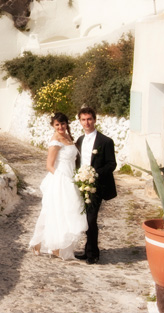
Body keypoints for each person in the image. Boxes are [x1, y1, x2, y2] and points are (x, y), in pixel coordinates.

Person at [29, 112, 88, 260]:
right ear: (53, 126)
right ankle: (54, 246)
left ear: (66, 124)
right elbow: (49, 166)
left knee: (64, 212)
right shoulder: (55, 140)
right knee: (58, 212)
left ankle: (48, 244)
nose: (60, 127)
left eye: (62, 124)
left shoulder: (68, 137)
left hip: (71, 177)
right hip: (61, 179)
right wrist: (63, 180)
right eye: (57, 124)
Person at [74, 106, 117, 264]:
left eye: (89, 119)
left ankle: (93, 253)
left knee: (91, 219)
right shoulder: (80, 140)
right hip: (81, 185)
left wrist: (95, 174)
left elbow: (112, 164)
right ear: (80, 121)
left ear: (95, 120)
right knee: (85, 219)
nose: (87, 123)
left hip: (96, 185)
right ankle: (88, 250)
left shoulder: (105, 141)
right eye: (83, 120)